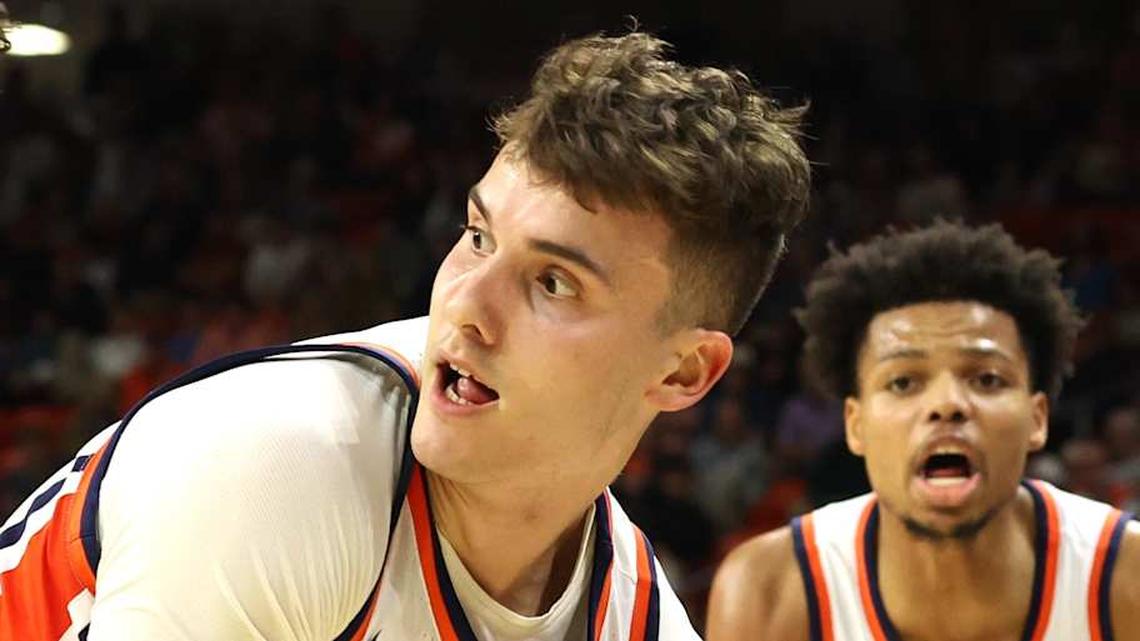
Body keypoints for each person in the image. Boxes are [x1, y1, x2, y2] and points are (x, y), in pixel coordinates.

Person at [0, 32, 811, 640]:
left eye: (553, 283)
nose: (464, 306)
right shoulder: (276, 464)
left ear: (683, 373)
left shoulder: (633, 612)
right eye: (478, 236)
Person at [707, 220, 1140, 641]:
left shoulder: (1127, 578)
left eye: (987, 379)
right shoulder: (771, 591)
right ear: (855, 426)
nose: (946, 404)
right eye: (903, 382)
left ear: (1037, 418)